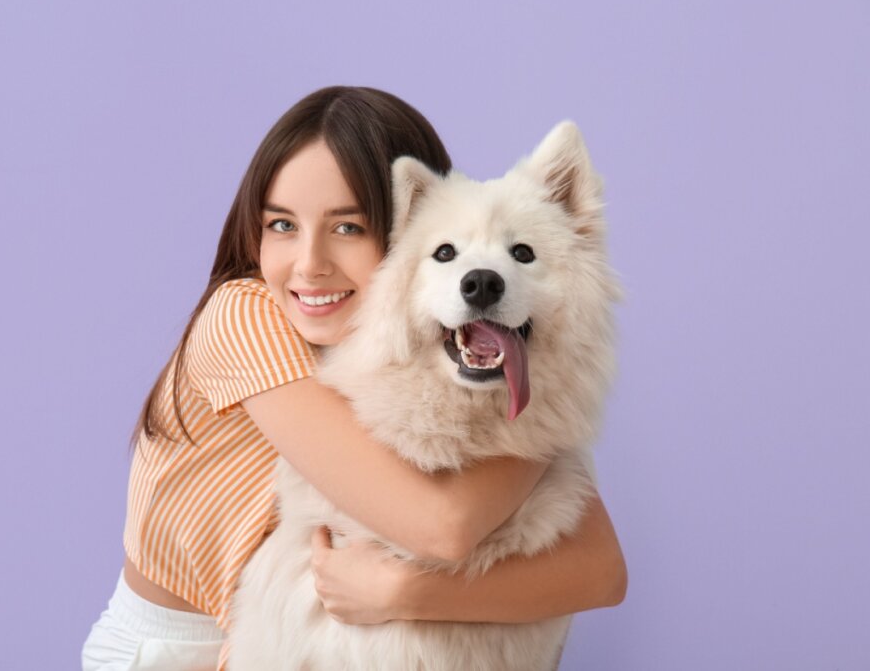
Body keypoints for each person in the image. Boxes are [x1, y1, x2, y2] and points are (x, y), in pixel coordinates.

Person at [82, 86, 627, 671]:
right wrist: (550, 409)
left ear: (397, 235)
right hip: (170, 651)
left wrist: (407, 593)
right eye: (282, 225)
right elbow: (442, 529)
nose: (311, 263)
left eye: (346, 228)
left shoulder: (415, 350)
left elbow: (597, 570)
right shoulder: (243, 318)